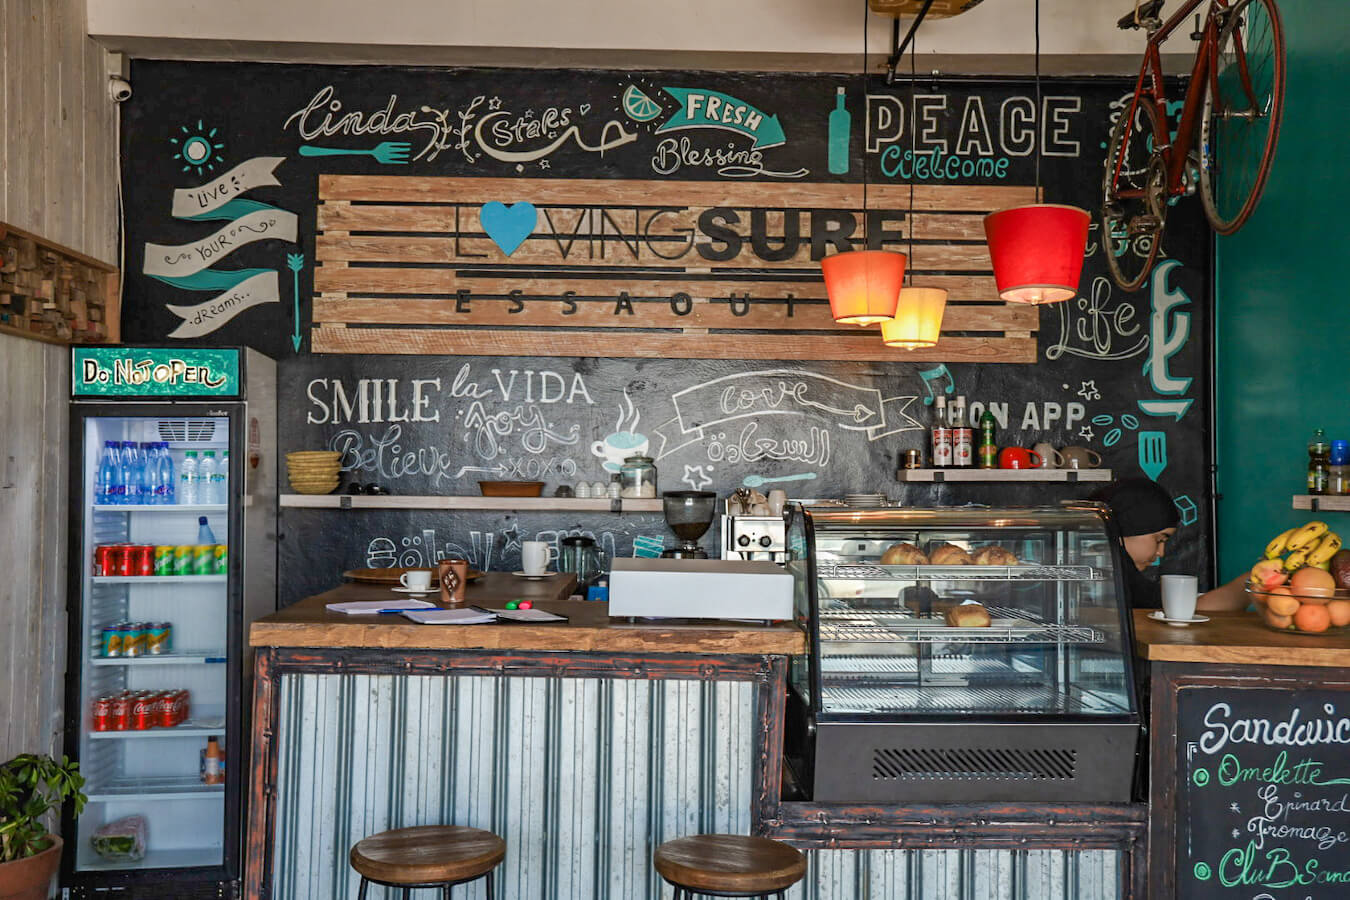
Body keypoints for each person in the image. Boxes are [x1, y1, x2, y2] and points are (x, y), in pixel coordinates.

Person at [1090, 477, 1248, 610]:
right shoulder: (1115, 571)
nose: (1161, 552)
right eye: (1159, 539)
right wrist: (1254, 581)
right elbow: (1186, 610)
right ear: (1128, 527)